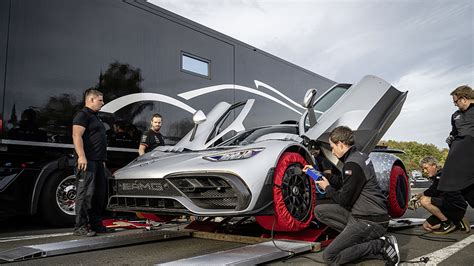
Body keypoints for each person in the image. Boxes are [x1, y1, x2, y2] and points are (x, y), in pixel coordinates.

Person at [312, 126, 399, 265]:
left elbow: (344, 200)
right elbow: (345, 182)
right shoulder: (359, 156)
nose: (332, 150)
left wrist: (327, 188)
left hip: (370, 220)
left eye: (332, 146)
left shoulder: (352, 164)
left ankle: (380, 245)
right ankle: (357, 239)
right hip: (362, 214)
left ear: (341, 144)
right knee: (319, 211)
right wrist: (322, 174)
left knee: (329, 257)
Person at [72, 89, 113, 237]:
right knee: (85, 194)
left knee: (99, 195)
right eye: (100, 100)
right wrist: (81, 156)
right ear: (91, 100)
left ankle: (96, 224)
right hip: (87, 161)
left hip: (98, 162)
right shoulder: (82, 115)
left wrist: (102, 161)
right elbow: (77, 136)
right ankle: (80, 226)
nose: (103, 103)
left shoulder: (95, 117)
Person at [412, 156, 469, 234]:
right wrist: (417, 197)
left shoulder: (443, 174)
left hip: (456, 206)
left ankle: (447, 223)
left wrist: (418, 197)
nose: (424, 171)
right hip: (446, 206)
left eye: (426, 168)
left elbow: (433, 191)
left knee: (424, 200)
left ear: (434, 165)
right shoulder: (437, 176)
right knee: (427, 225)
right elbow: (433, 192)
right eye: (423, 169)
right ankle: (456, 221)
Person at [439, 85, 474, 208]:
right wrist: (451, 137)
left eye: (455, 101)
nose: (454, 104)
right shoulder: (455, 115)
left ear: (463, 99)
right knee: (458, 185)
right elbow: (454, 132)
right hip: (461, 153)